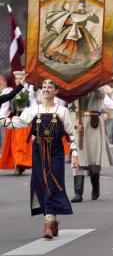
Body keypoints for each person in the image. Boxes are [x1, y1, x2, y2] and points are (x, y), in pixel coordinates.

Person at [0, 79, 78, 239]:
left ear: (56, 91)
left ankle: (50, 221)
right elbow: (17, 123)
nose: (46, 89)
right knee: (41, 183)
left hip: (56, 151)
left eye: (50, 87)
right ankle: (50, 221)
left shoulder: (62, 111)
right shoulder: (33, 110)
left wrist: (75, 154)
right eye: (44, 87)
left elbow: (70, 134)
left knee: (54, 183)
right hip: (38, 151)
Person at [70, 87, 113, 203]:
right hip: (78, 124)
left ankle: (95, 187)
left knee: (94, 160)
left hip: (93, 124)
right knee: (78, 158)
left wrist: (90, 84)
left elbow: (101, 94)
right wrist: (74, 123)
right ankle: (78, 193)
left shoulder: (98, 85)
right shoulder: (74, 86)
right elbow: (70, 109)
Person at [0, 71, 36, 175]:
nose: (18, 80)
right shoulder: (8, 91)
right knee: (14, 144)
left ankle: (20, 164)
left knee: (22, 144)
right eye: (17, 79)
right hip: (13, 120)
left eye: (20, 79)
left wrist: (25, 110)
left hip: (23, 121)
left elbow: (33, 107)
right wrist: (3, 119)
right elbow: (5, 106)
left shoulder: (28, 92)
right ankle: (17, 163)